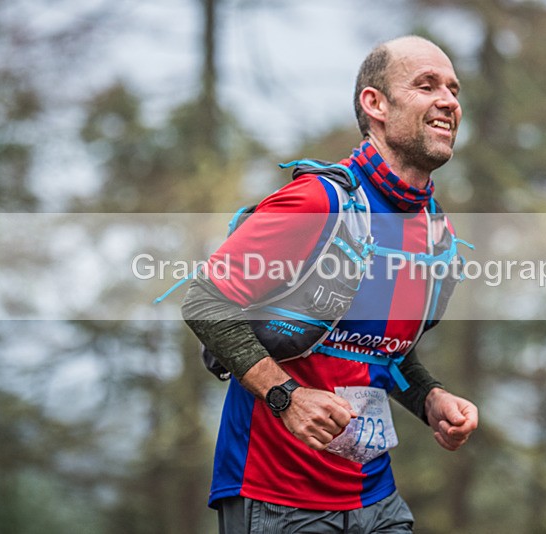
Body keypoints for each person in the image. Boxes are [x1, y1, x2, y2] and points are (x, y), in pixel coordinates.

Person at [182, 35, 478, 533]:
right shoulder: (317, 201)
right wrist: (287, 397)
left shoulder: (432, 230)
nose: (448, 101)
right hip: (275, 497)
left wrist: (430, 399)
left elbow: (382, 347)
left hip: (375, 500)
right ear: (375, 103)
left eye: (453, 89)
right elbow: (206, 300)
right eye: (427, 86)